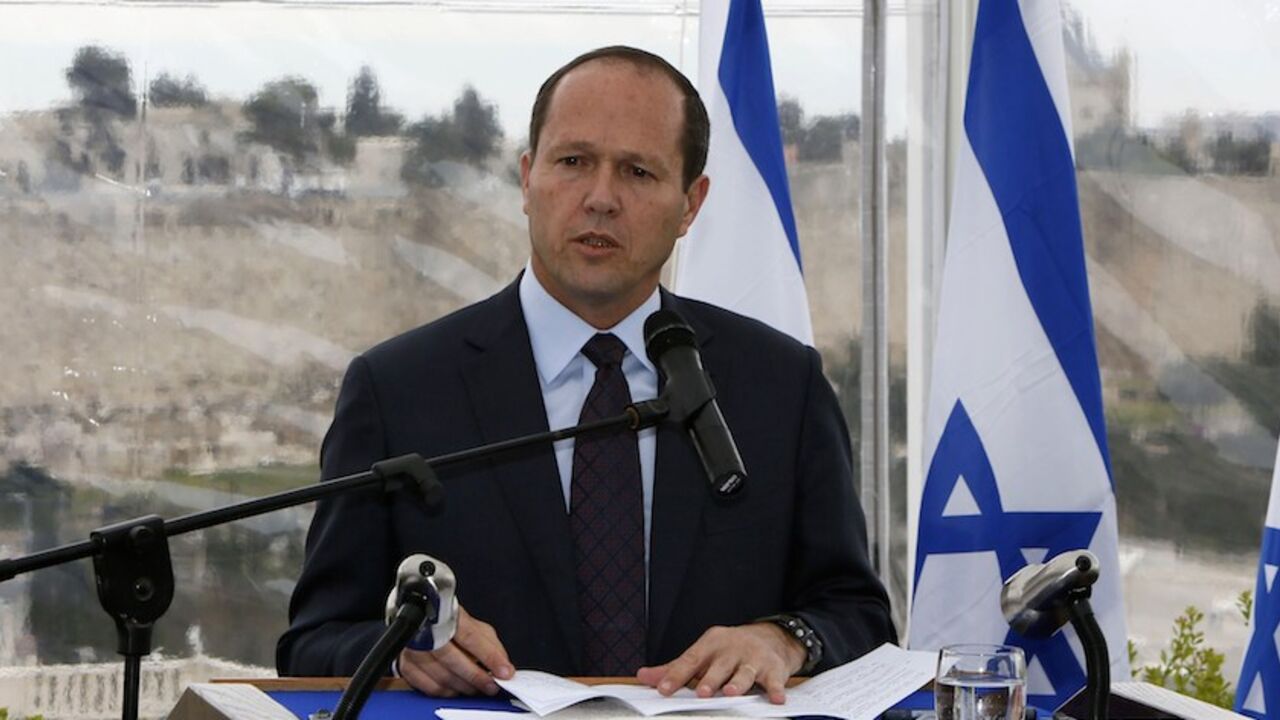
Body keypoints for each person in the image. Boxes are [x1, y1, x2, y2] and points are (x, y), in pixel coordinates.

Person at [277, 45, 895, 704]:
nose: (600, 198)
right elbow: (313, 640)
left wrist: (782, 639)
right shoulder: (398, 388)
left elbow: (856, 613)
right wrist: (403, 652)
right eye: (573, 162)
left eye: (637, 171)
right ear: (526, 178)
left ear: (691, 204)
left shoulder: (779, 383)